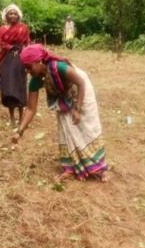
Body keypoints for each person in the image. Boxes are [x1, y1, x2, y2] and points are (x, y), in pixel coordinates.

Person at [13, 44, 109, 182]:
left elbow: (81, 83)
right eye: (26, 68)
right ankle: (70, 168)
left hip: (81, 90)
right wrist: (19, 131)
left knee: (88, 128)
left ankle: (101, 168)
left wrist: (77, 108)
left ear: (39, 62)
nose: (28, 71)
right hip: (63, 97)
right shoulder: (35, 80)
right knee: (66, 130)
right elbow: (30, 109)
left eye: (29, 67)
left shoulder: (59, 67)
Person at [0, 4, 31, 127]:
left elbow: (27, 43)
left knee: (20, 86)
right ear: (6, 16)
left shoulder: (23, 28)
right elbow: (1, 44)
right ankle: (11, 117)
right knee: (8, 88)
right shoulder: (2, 29)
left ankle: (22, 116)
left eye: (15, 13)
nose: (13, 15)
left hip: (21, 59)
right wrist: (12, 47)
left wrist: (28, 60)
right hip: (7, 60)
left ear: (18, 16)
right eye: (10, 13)